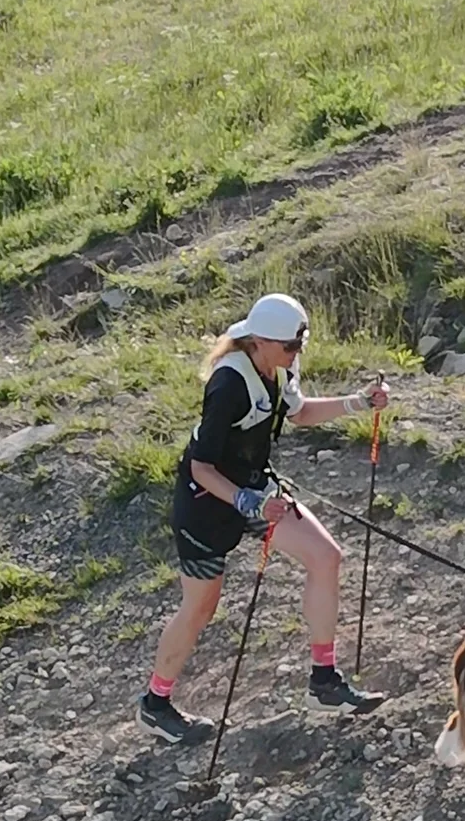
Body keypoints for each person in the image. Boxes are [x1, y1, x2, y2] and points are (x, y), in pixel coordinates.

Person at [138, 292, 391, 745]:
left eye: (300, 345)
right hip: (206, 500)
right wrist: (249, 504)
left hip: (254, 490)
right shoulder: (229, 384)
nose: (297, 354)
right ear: (259, 341)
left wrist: (358, 402)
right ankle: (156, 706)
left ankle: (324, 682)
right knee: (200, 607)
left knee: (326, 556)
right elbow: (201, 466)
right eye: (291, 347)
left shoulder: (279, 365)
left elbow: (300, 412)